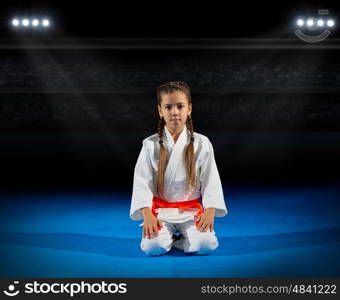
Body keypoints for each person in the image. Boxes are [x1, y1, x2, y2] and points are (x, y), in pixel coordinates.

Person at [130, 81, 227, 256]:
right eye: (168, 107)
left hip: (190, 212)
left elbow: (211, 179)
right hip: (161, 211)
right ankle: (170, 238)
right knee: (152, 248)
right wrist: (147, 214)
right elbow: (142, 182)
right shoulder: (150, 144)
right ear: (160, 111)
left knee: (206, 245)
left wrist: (211, 210)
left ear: (189, 109)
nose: (174, 111)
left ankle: (179, 241)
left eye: (180, 106)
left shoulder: (202, 143)